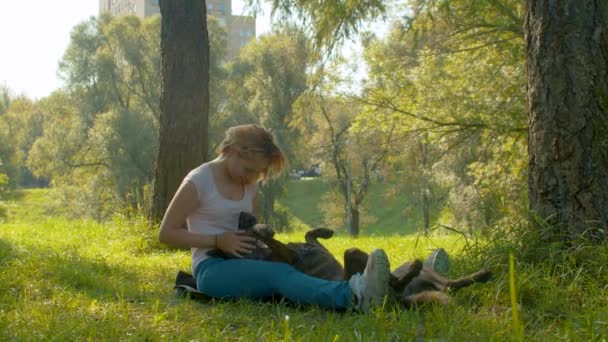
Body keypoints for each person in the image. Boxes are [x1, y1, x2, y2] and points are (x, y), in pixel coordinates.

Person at [158, 124, 391, 312]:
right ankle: (354, 295)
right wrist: (218, 241)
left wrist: (260, 235)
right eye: (249, 170)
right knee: (279, 275)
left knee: (304, 263)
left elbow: (249, 230)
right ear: (234, 152)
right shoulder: (198, 181)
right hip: (212, 268)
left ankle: (387, 286)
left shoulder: (249, 185)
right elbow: (166, 234)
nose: (251, 179)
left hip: (248, 261)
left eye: (257, 174)